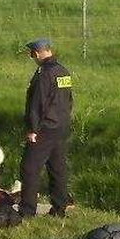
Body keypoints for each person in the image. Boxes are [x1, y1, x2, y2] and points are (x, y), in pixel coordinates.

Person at [19, 38, 73, 218]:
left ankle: (27, 211)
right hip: (61, 127)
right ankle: (60, 207)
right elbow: (69, 101)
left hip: (44, 128)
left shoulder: (44, 73)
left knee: (30, 168)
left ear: (36, 53)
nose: (32, 57)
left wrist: (33, 129)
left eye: (32, 53)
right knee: (57, 168)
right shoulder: (63, 71)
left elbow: (38, 103)